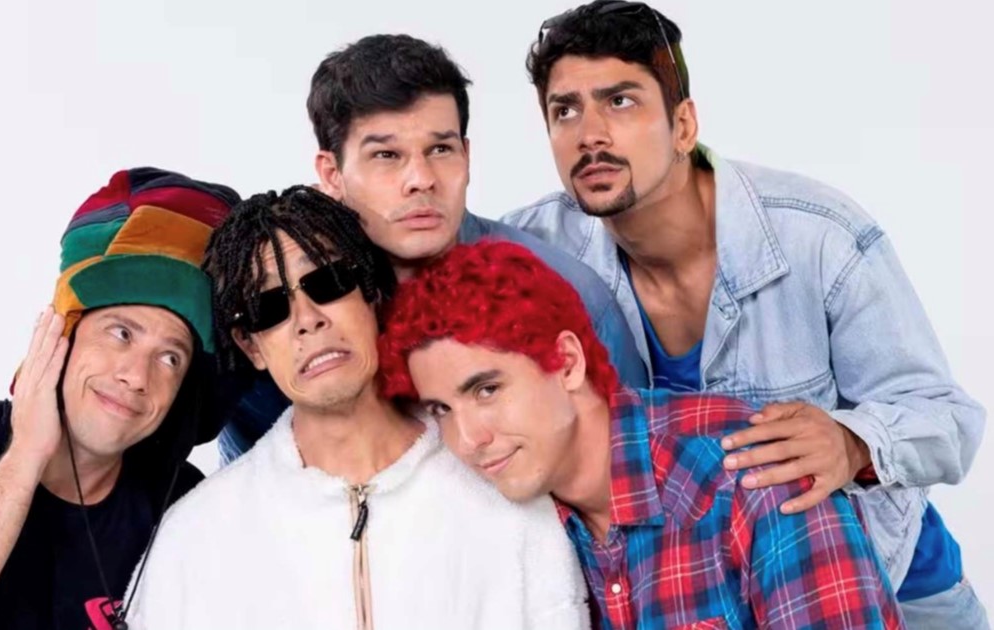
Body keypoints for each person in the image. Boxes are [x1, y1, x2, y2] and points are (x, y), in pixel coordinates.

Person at [501, 2, 987, 625]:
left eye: (620, 101)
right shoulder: (536, 251)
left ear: (682, 125)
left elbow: (947, 418)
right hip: (701, 600)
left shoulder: (818, 236)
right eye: (564, 110)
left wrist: (851, 442)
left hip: (888, 583)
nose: (589, 133)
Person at [124, 187, 589, 630]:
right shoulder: (195, 540)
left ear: (371, 292)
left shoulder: (505, 498)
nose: (307, 320)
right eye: (269, 306)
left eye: (328, 281)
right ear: (251, 346)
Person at [379, 240, 904, 629]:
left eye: (487, 390)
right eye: (442, 409)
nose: (468, 438)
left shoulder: (752, 473)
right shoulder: (517, 526)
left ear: (567, 363)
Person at [217, 33, 648, 463]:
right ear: (332, 174)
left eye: (440, 149)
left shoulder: (566, 293)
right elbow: (252, 484)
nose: (421, 179)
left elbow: (638, 463)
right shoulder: (289, 324)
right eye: (386, 156)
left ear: (466, 156)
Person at [0, 167, 238, 630]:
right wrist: (27, 453)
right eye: (121, 333)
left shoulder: (180, 504)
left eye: (170, 357)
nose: (138, 376)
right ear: (59, 335)